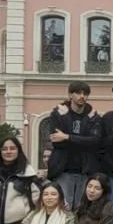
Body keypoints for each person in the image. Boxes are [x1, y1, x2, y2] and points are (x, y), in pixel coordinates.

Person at [47, 80, 101, 208]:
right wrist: (83, 140)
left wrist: (67, 137)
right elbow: (57, 142)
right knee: (62, 207)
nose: (82, 96)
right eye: (78, 93)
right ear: (70, 95)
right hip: (63, 169)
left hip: (85, 170)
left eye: (85, 93)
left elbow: (95, 142)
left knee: (82, 208)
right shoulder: (58, 113)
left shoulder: (93, 116)